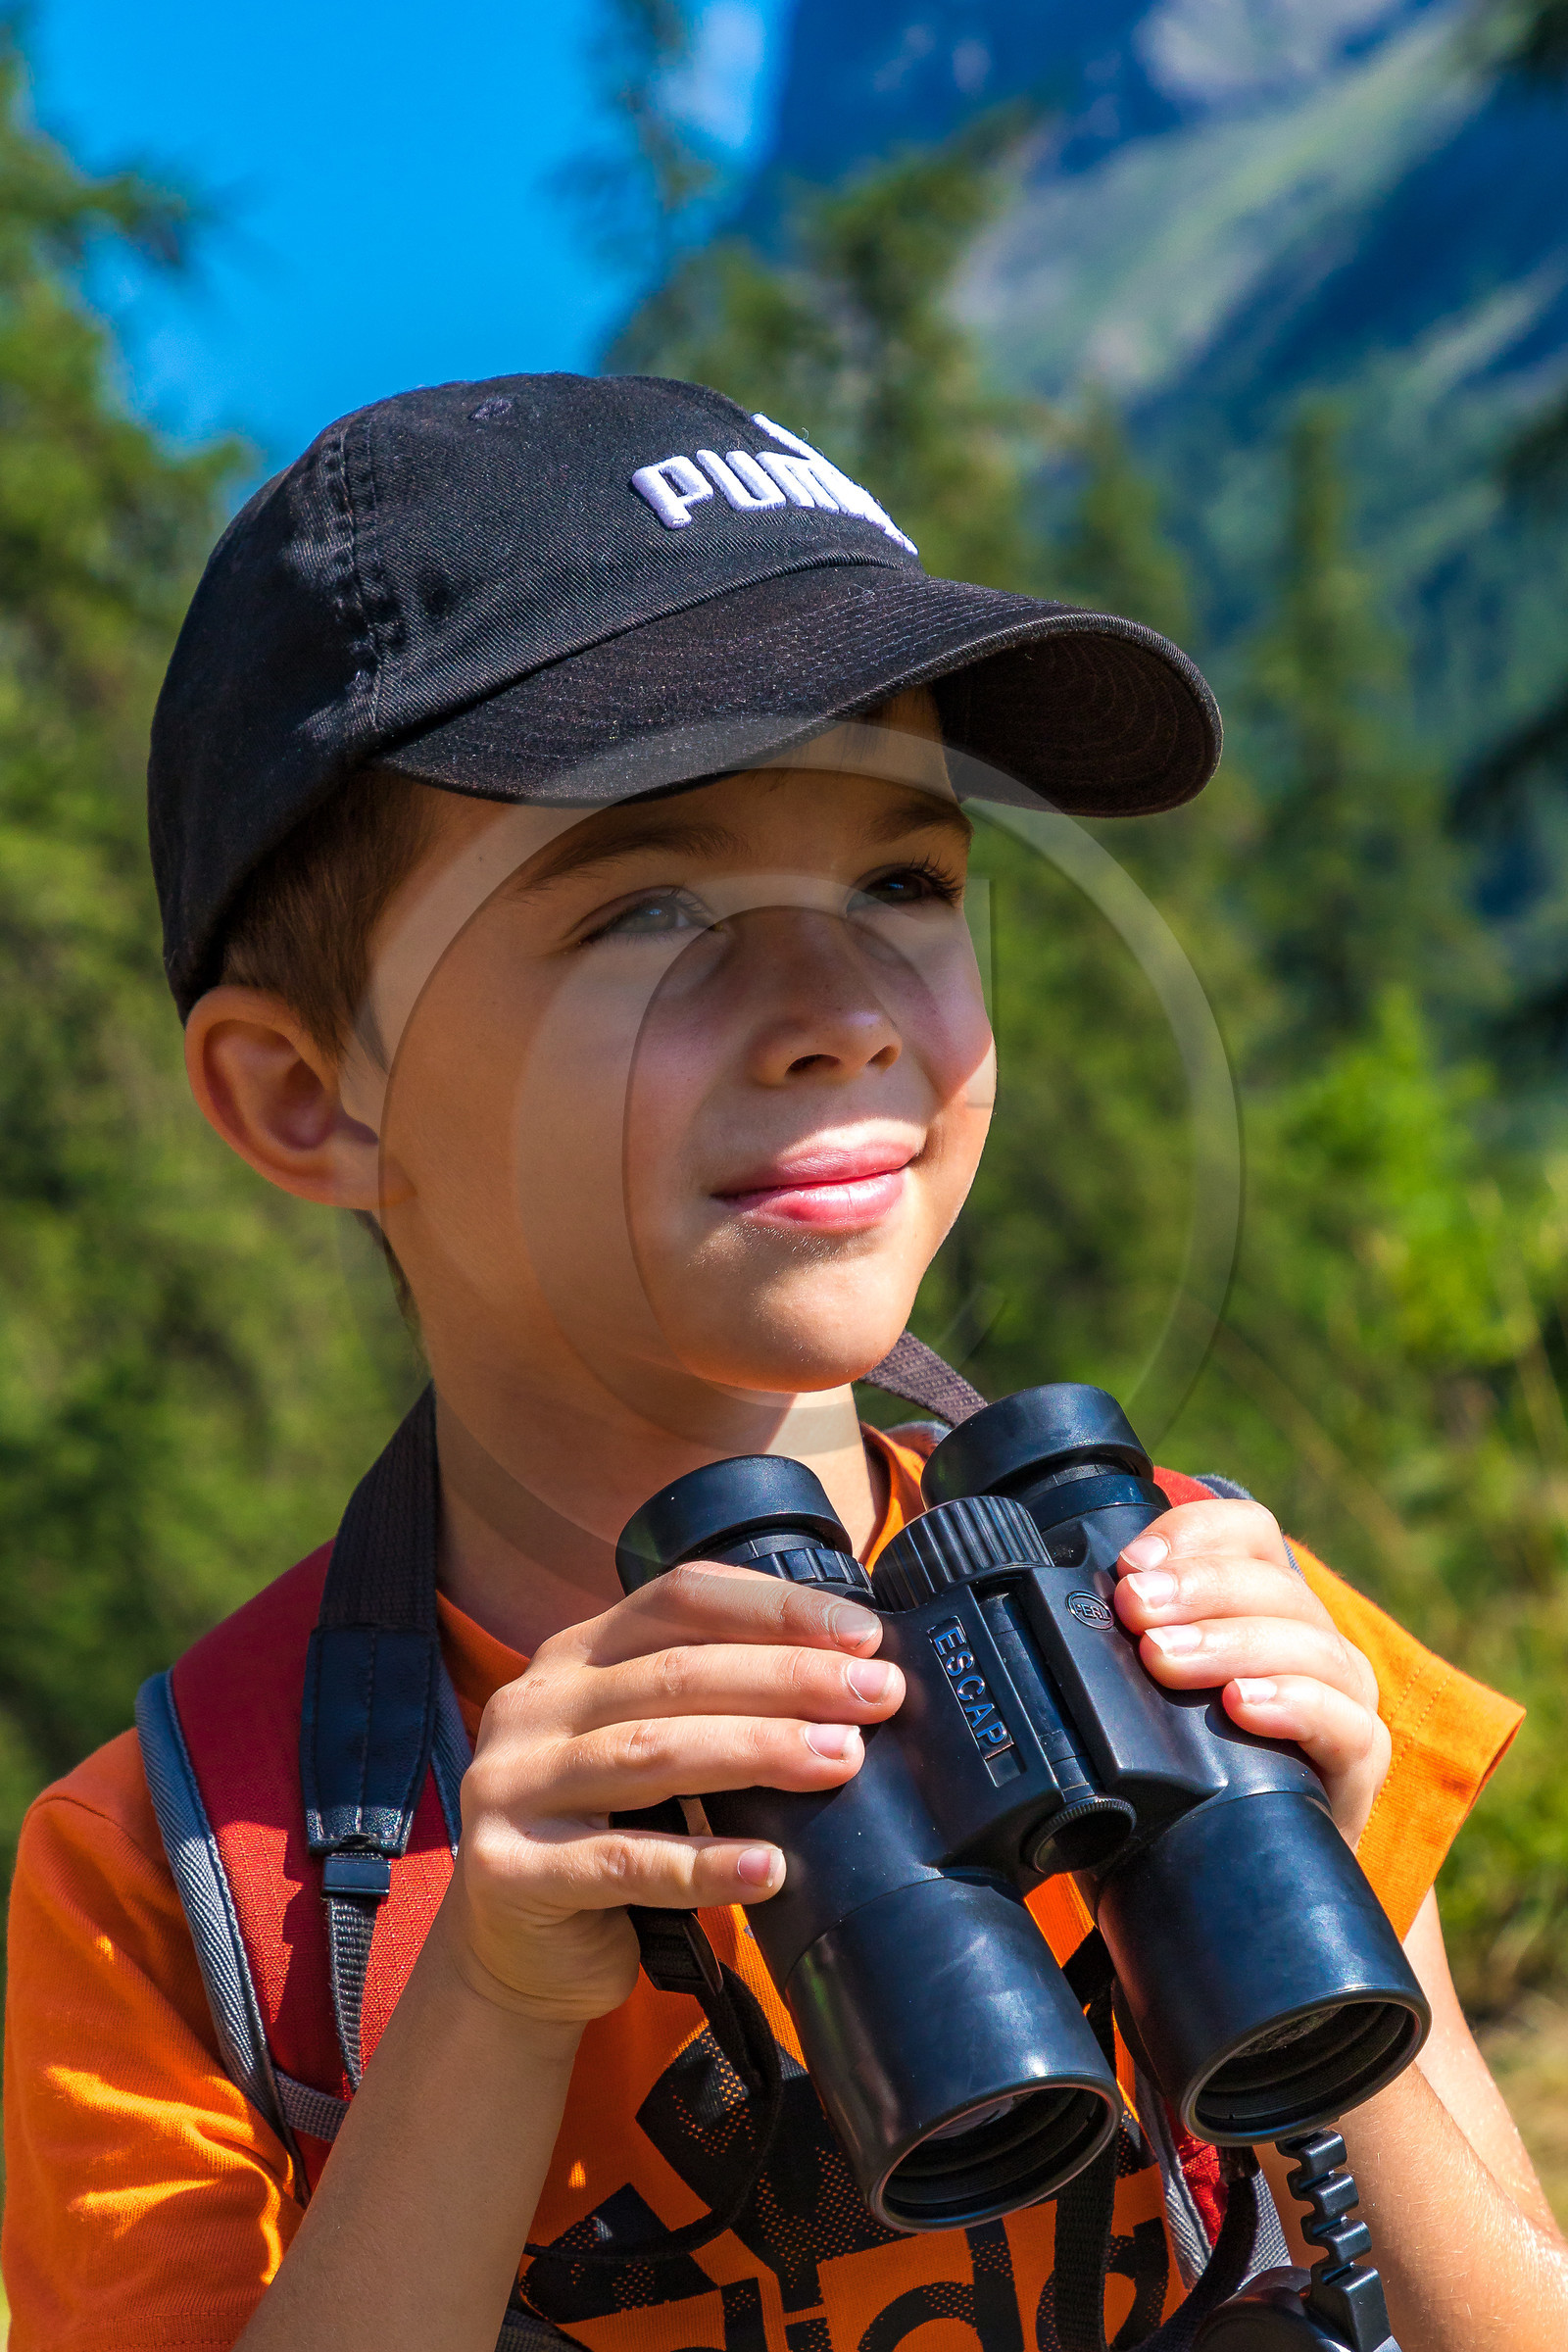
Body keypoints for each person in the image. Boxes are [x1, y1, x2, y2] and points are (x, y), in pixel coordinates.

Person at [3, 375, 1563, 2352]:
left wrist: (1310, 1920)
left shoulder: (1181, 1609)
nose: (835, 1009)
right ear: (310, 1097)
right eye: (649, 907)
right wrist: (485, 2002)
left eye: (904, 883)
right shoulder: (176, 1874)